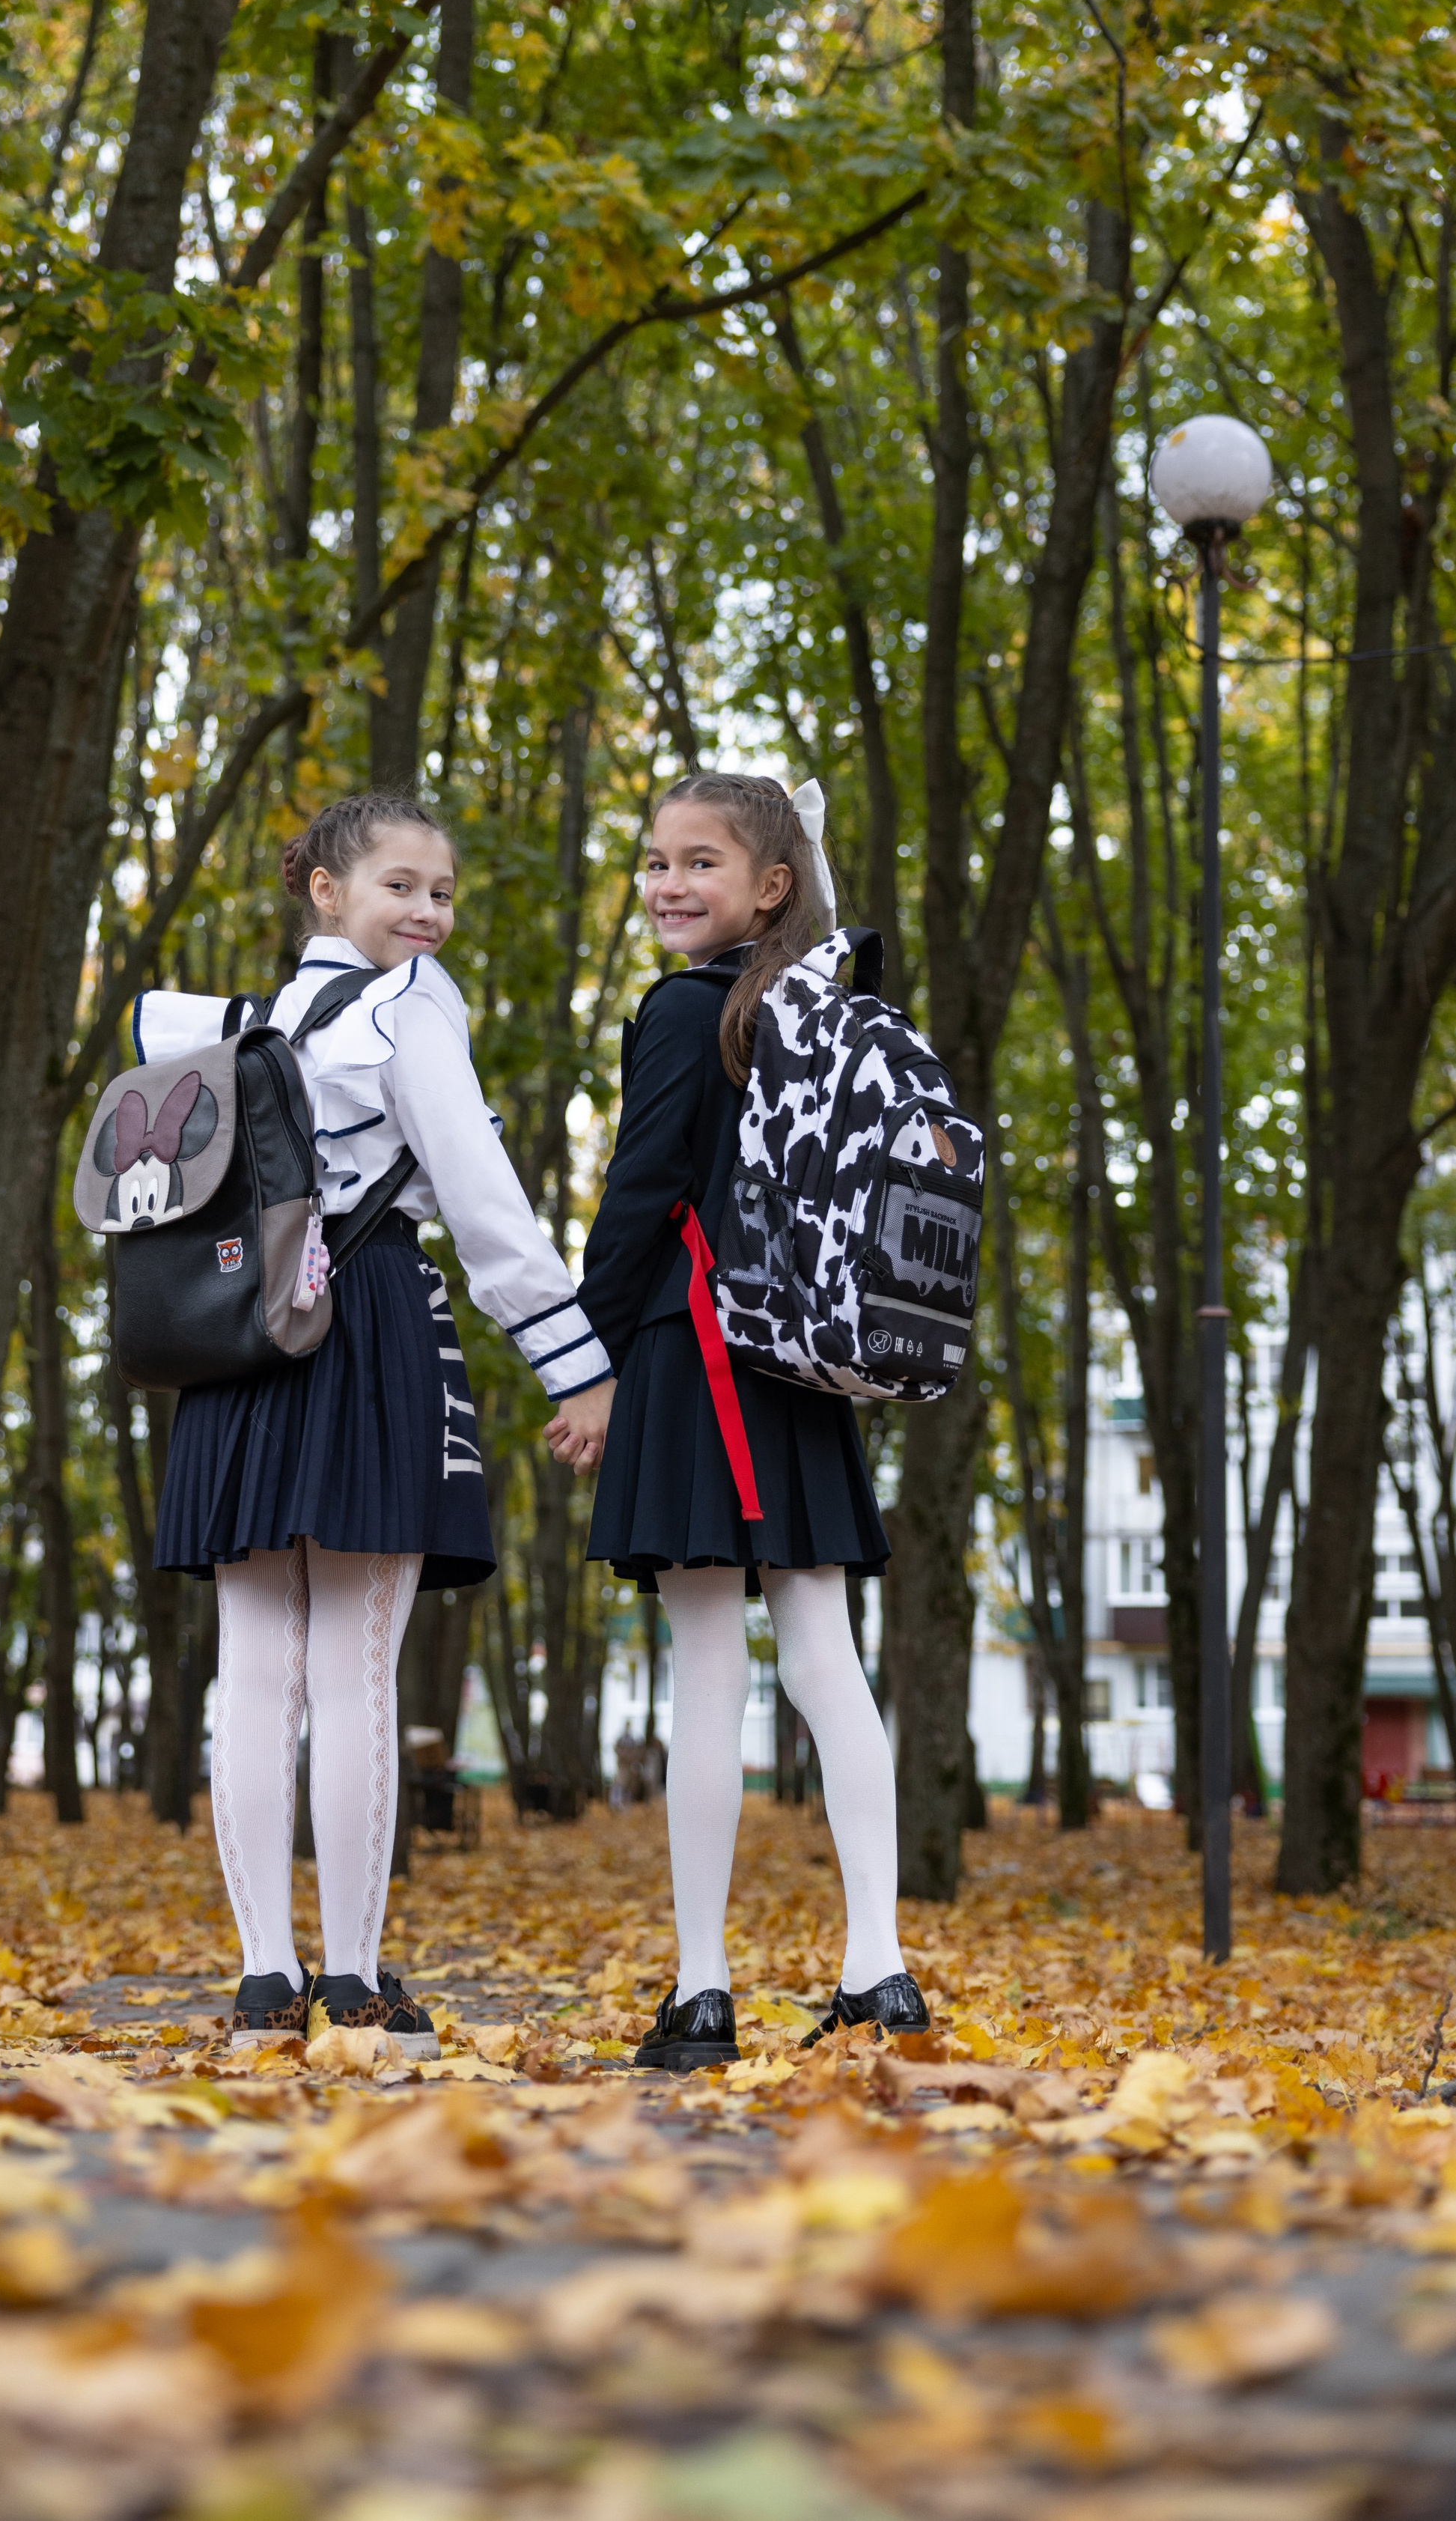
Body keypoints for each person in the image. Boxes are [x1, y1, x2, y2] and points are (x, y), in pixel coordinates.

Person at [146, 793, 615, 2054]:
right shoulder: (411, 1009)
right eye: (401, 886)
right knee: (348, 1665)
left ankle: (263, 1981)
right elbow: (484, 1201)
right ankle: (346, 1982)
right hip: (362, 1329)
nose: (428, 913)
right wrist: (574, 1361)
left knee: (253, 1667)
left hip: (240, 1339)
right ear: (326, 891)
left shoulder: (237, 1025)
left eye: (442, 893)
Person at [545, 773, 927, 2073]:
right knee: (827, 1659)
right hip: (802, 1362)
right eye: (653, 859)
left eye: (698, 862)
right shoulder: (823, 1008)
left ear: (768, 886)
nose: (665, 883)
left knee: (708, 1667)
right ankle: (877, 1964)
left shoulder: (682, 1013)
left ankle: (702, 1987)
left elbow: (639, 1190)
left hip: (691, 1350)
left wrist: (576, 1358)